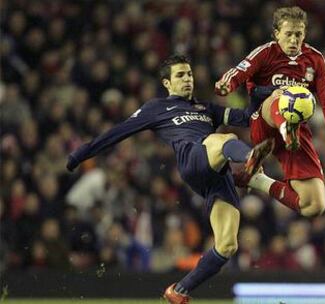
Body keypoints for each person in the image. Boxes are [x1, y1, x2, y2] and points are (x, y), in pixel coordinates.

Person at [66, 54, 273, 303]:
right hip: (192, 160)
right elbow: (117, 132)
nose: (187, 79)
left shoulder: (207, 108)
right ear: (167, 83)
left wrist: (255, 90)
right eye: (180, 75)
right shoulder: (156, 108)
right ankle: (250, 160)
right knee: (225, 139)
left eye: (189, 74)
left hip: (216, 177)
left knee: (227, 246)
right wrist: (80, 155)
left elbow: (248, 117)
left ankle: (178, 291)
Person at [216, 6, 325, 217]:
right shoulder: (266, 52)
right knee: (284, 95)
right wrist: (227, 84)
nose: (293, 39)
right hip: (263, 121)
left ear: (304, 34)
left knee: (314, 206)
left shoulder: (315, 60)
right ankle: (285, 127)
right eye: (288, 33)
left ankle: (255, 180)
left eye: (298, 34)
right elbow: (240, 71)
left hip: (296, 132)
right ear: (276, 33)